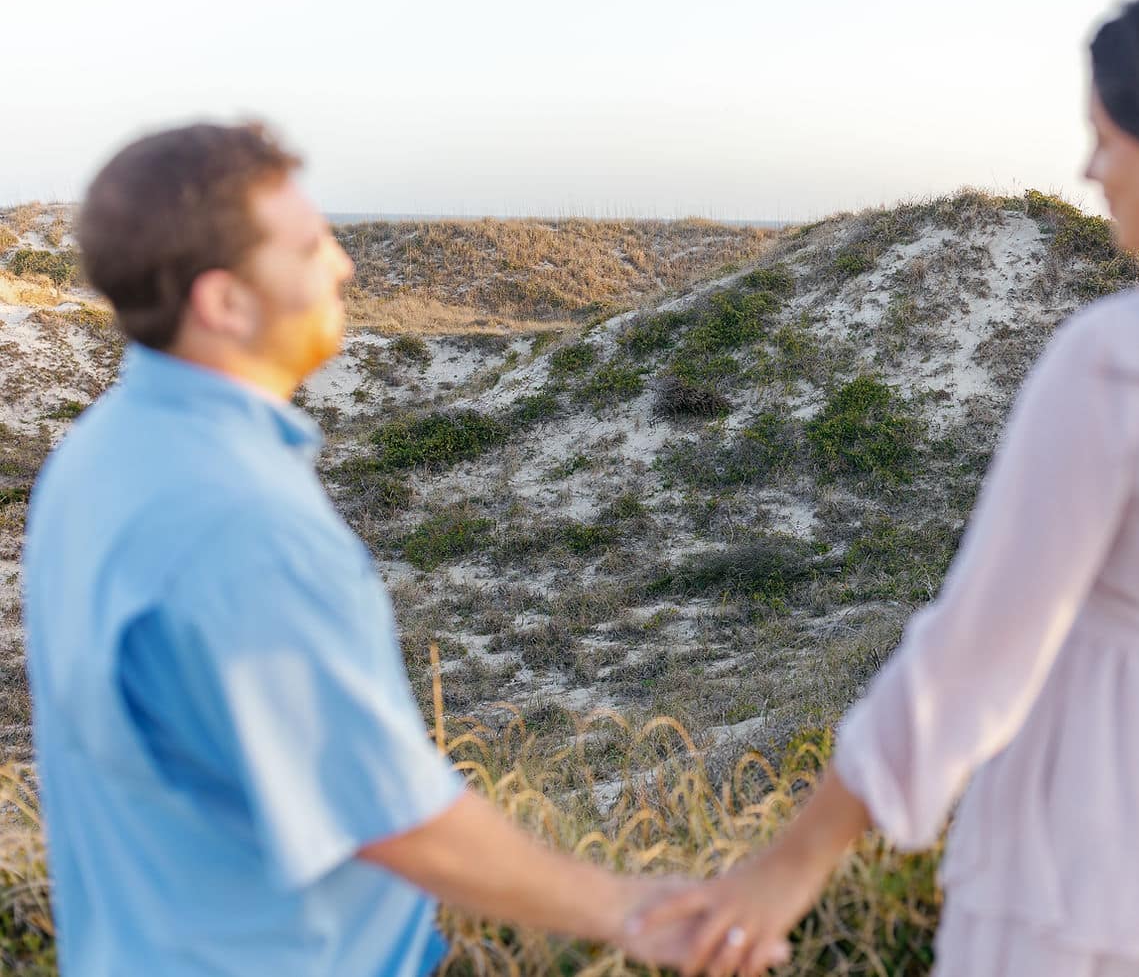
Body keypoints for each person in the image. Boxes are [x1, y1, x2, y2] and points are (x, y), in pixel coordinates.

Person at [635, 0, 1139, 974]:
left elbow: (972, 655)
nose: (1088, 168)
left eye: (1107, 136)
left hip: (1095, 857)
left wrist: (789, 867)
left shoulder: (1116, 360)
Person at [21, 123, 774, 975]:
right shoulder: (244, 525)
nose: (342, 264)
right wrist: (636, 911)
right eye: (308, 246)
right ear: (223, 302)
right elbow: (394, 818)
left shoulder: (94, 457)